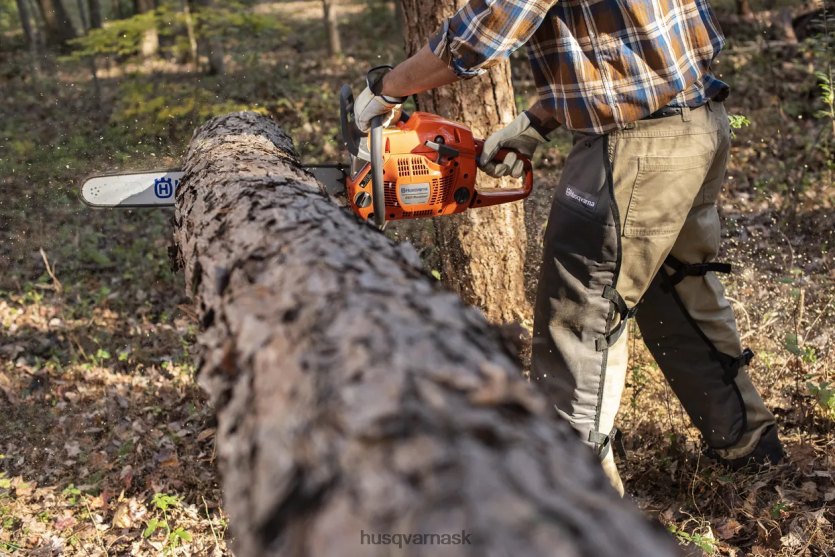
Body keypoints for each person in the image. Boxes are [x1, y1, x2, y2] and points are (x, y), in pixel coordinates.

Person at [352, 0, 784, 495]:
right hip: (697, 123)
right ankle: (751, 447)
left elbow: (482, 33)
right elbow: (624, 43)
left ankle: (573, 501)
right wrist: (539, 119)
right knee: (678, 289)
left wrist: (385, 91)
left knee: (580, 310)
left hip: (636, 148)